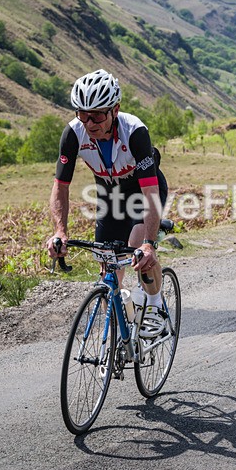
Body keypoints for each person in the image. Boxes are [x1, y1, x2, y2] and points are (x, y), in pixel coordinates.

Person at [46, 69, 169, 338]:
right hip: (110, 196)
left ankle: (156, 306)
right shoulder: (73, 133)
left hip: (142, 191)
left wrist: (149, 243)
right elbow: (60, 187)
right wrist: (60, 231)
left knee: (137, 249)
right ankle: (120, 334)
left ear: (115, 109)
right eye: (83, 114)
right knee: (108, 270)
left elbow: (149, 193)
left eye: (98, 115)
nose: (90, 123)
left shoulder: (135, 132)